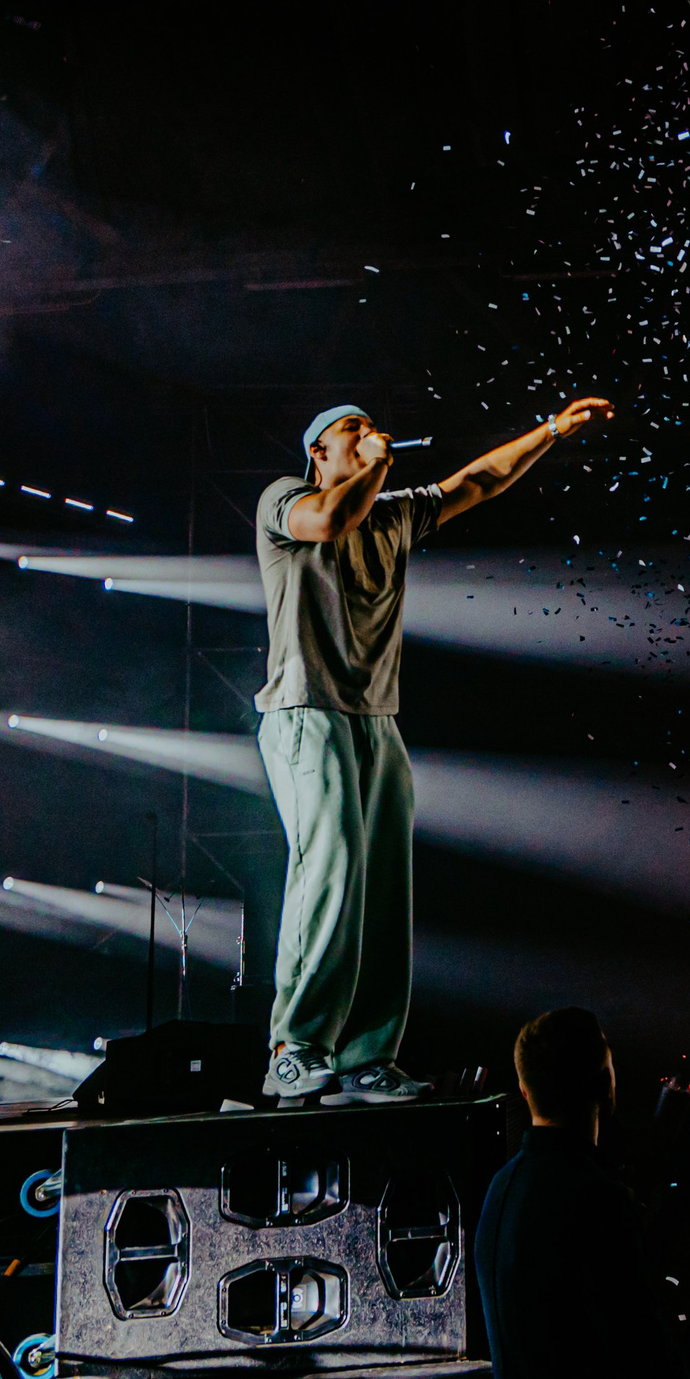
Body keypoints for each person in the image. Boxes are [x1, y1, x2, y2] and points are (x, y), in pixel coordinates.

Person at [252, 398, 613, 1100]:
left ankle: (365, 1057)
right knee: (331, 865)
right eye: (350, 430)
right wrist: (378, 463)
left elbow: (475, 482)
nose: (367, 433)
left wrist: (551, 430)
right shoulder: (285, 500)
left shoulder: (391, 514)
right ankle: (294, 1046)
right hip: (306, 711)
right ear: (318, 454)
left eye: (369, 425)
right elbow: (329, 521)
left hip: (376, 719)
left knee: (386, 885)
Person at [472, 1007, 690, 1379]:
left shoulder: (502, 1185)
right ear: (605, 1082)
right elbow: (643, 1350)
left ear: (524, 1088)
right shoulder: (593, 1200)